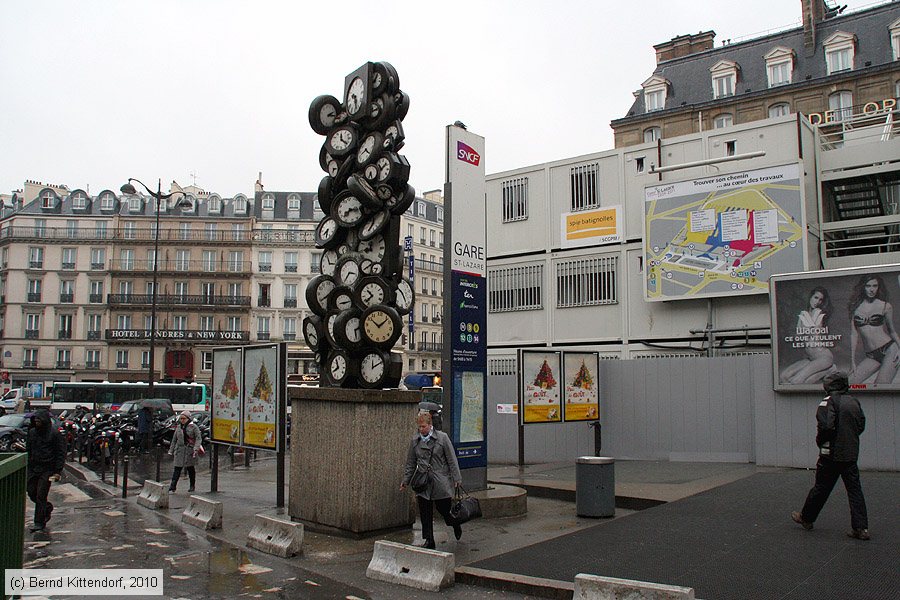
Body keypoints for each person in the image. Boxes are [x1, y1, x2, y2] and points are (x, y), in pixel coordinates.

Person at [791, 371, 869, 540]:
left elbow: (826, 426)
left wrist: (820, 441)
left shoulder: (828, 402)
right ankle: (861, 528)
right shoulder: (853, 401)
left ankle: (806, 518)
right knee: (855, 491)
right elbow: (861, 425)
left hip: (831, 454)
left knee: (821, 487)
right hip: (850, 453)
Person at [400, 411, 462, 549]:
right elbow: (411, 462)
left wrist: (457, 478)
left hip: (440, 481)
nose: (421, 430)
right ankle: (429, 540)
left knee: (444, 510)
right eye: (419, 427)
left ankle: (455, 523)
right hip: (423, 482)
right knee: (425, 512)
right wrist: (406, 480)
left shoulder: (442, 438)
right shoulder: (415, 441)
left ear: (430, 425)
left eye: (423, 427)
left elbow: (452, 459)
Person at [848, 275, 900, 384]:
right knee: (851, 383)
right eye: (868, 286)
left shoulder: (885, 306)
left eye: (875, 286)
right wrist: (852, 361)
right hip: (871, 355)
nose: (871, 289)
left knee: (881, 384)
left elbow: (892, 331)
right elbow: (854, 334)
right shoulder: (855, 307)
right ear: (863, 287)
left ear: (878, 287)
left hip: (890, 349)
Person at [780, 287, 836, 384]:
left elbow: (814, 334)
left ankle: (827, 369)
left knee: (797, 381)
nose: (817, 301)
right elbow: (798, 335)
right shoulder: (803, 314)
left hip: (823, 357)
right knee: (783, 376)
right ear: (810, 297)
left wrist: (805, 329)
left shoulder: (818, 312)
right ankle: (828, 370)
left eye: (820, 300)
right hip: (810, 358)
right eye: (816, 297)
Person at [26, 409, 66, 532]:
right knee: (31, 491)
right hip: (34, 467)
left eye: (39, 420)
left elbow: (60, 452)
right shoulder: (32, 432)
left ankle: (39, 522)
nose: (36, 422)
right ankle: (47, 508)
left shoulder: (54, 434)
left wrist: (57, 471)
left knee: (41, 495)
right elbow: (29, 449)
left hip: (48, 468)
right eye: (35, 420)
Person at [168, 410, 202, 493]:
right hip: (179, 451)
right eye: (181, 418)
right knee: (177, 469)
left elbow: (198, 438)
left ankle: (192, 485)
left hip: (189, 451)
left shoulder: (193, 427)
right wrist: (171, 450)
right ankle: (173, 486)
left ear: (188, 419)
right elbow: (174, 440)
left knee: (190, 469)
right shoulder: (179, 427)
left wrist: (196, 448)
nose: (182, 420)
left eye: (184, 418)